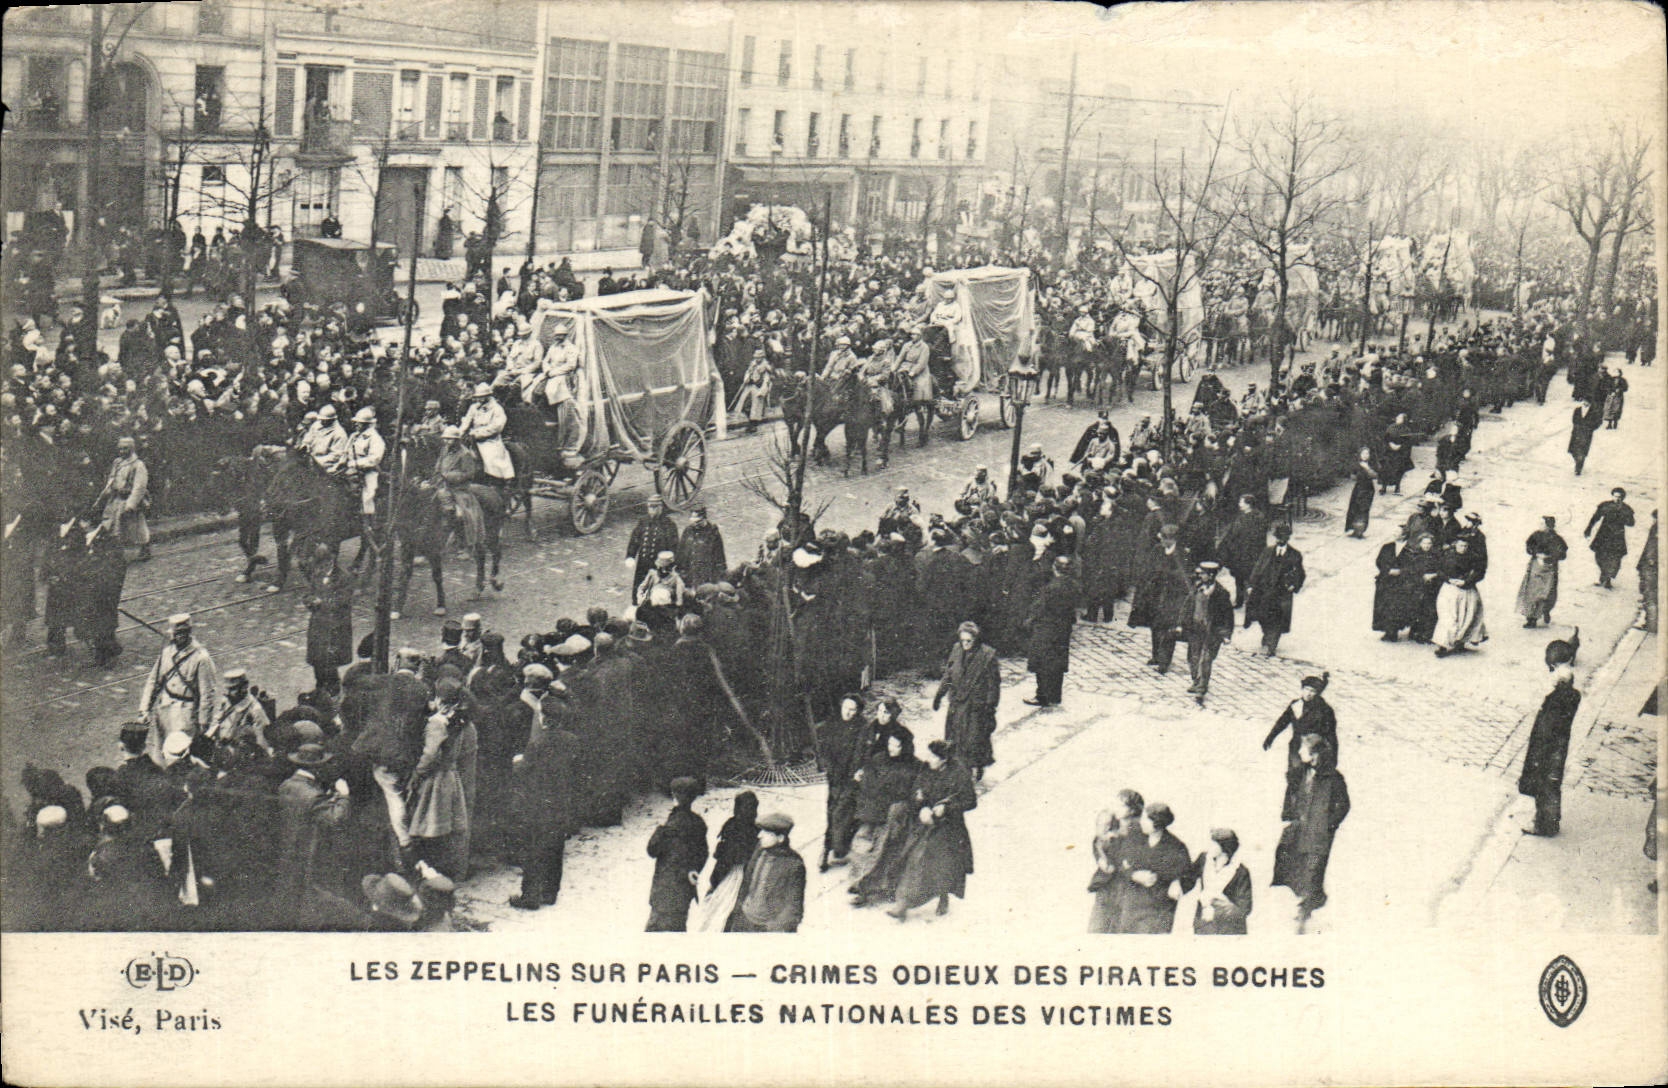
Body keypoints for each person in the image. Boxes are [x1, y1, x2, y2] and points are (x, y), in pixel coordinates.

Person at [887, 740, 978, 922]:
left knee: (942, 865)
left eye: (933, 757)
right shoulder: (926, 769)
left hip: (948, 827)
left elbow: (970, 801)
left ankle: (942, 897)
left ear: (944, 760)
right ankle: (903, 903)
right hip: (925, 823)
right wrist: (921, 806)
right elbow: (916, 792)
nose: (928, 759)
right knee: (913, 858)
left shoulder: (959, 774)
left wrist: (947, 807)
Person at [507, 696, 578, 911]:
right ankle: (550, 892)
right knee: (555, 847)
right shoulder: (572, 740)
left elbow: (525, 770)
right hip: (561, 801)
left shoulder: (537, 743)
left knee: (534, 849)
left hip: (538, 803)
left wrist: (517, 763)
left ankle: (530, 895)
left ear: (544, 718)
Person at [1272, 733, 1350, 926]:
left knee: (1312, 868)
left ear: (1317, 753)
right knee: (1290, 861)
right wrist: (1287, 816)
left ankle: (1305, 907)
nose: (1302, 753)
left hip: (1317, 834)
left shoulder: (1333, 778)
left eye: (1306, 750)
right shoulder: (1301, 772)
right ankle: (1295, 897)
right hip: (1298, 828)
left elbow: (1344, 805)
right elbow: (1290, 794)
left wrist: (1329, 824)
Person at [406, 678, 472, 880]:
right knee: (446, 826)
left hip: (436, 779)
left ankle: (430, 872)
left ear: (439, 699)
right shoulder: (460, 719)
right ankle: (445, 871)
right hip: (451, 776)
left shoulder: (436, 722)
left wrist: (417, 773)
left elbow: (430, 754)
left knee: (430, 826)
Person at [847, 722, 919, 900]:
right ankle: (858, 881)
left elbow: (911, 792)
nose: (891, 748)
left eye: (897, 745)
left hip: (893, 816)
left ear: (905, 746)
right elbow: (867, 784)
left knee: (880, 851)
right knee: (860, 846)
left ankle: (866, 887)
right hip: (872, 812)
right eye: (890, 744)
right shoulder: (878, 759)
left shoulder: (914, 766)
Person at [1516, 664, 1582, 837]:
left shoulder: (1554, 702)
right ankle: (1551, 821)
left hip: (1547, 750)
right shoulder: (1573, 696)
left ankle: (1543, 825)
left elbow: (1545, 730)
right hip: (1560, 747)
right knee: (1552, 785)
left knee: (1543, 785)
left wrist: (1536, 757)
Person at [935, 621, 1002, 778]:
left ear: (976, 639)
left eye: (969, 641)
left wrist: (990, 707)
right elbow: (949, 675)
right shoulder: (956, 650)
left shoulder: (987, 656)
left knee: (974, 739)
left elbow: (993, 686)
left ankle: (976, 766)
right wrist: (940, 694)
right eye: (962, 640)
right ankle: (955, 768)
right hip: (957, 702)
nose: (965, 644)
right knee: (954, 737)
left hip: (976, 706)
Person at [1116, 802, 1193, 934]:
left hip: (1159, 911)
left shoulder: (1176, 846)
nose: (1141, 821)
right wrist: (1133, 875)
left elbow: (1189, 875)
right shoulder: (1134, 838)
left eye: (1146, 819)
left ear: (1157, 823)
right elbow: (1120, 863)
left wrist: (1178, 883)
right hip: (1131, 907)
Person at [139, 613, 218, 743]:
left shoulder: (201, 657)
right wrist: (144, 709)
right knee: (162, 748)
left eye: (183, 632)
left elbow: (207, 693)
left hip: (186, 713)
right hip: (164, 710)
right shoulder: (167, 652)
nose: (180, 636)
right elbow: (153, 681)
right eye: (177, 633)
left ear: (189, 632)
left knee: (181, 749)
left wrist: (204, 722)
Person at [725, 812, 806, 932]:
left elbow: (793, 908)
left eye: (766, 832)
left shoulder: (793, 864)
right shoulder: (760, 850)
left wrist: (772, 930)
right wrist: (738, 912)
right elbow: (746, 882)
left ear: (780, 838)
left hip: (766, 928)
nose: (759, 835)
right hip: (744, 920)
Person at [645, 776, 708, 931]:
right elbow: (703, 853)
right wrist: (694, 869)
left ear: (674, 795)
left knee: (656, 931)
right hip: (684, 889)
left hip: (665, 888)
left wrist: (660, 830)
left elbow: (652, 850)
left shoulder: (671, 825)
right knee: (678, 927)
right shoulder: (698, 823)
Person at [1263, 673, 1337, 786]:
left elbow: (1331, 734)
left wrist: (1333, 756)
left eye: (1312, 691)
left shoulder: (1325, 710)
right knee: (1294, 774)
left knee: (1318, 778)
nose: (1308, 693)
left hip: (1316, 747)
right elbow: (1282, 722)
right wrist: (1270, 738)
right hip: (1297, 745)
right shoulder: (1295, 705)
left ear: (1317, 693)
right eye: (1306, 689)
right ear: (1302, 689)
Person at [1024, 556, 1079, 708]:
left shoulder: (1051, 588)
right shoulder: (1073, 585)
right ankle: (1055, 696)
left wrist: (1029, 621)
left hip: (1047, 629)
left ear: (1055, 568)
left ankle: (1042, 696)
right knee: (1057, 664)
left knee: (1042, 663)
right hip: (1063, 629)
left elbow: (1040, 608)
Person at [1244, 521, 1305, 657]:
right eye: (1278, 537)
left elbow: (1300, 574)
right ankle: (1267, 636)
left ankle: (1270, 645)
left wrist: (1294, 585)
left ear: (1287, 538)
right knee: (1263, 616)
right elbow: (1257, 569)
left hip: (1281, 594)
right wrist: (1251, 585)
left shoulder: (1295, 555)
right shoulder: (1267, 551)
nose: (1279, 540)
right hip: (1264, 591)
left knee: (1277, 619)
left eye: (1282, 537)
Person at [1087, 788, 1144, 934]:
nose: (1115, 808)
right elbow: (1098, 840)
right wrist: (1101, 858)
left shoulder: (1143, 830)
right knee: (1097, 930)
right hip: (1107, 885)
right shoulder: (1111, 822)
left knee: (1121, 931)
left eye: (1121, 805)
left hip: (1128, 888)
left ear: (1132, 809)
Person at [305, 542, 353, 697]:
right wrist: (311, 601)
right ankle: (320, 688)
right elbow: (308, 594)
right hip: (318, 625)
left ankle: (333, 691)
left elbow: (343, 600)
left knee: (330, 662)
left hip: (335, 627)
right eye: (320, 564)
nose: (322, 567)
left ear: (332, 560)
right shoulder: (317, 574)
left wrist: (322, 602)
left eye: (325, 563)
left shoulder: (344, 577)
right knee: (317, 661)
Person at [1184, 562, 1235, 705]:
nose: (1200, 575)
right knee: (1193, 658)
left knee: (1206, 660)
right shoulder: (1197, 588)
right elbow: (1188, 607)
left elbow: (1228, 617)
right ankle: (1196, 681)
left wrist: (1226, 634)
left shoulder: (1221, 593)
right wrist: (1181, 624)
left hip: (1212, 632)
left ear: (1211, 575)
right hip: (1195, 629)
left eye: (1203, 573)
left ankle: (1201, 689)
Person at [1189, 828, 1253, 935]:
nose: (1209, 847)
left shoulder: (1240, 871)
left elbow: (1245, 908)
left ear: (1224, 848)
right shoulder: (1204, 860)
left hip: (1229, 929)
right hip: (1203, 925)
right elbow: (1187, 879)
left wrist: (1217, 912)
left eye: (1213, 844)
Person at [97, 436, 151, 560]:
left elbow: (139, 486)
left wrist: (131, 504)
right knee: (115, 525)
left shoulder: (138, 465)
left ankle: (145, 548)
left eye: (125, 448)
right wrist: (107, 491)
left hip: (129, 499)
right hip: (116, 498)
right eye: (120, 448)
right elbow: (112, 477)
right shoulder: (117, 462)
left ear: (132, 448)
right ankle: (118, 553)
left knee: (137, 526)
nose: (122, 451)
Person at [1433, 535, 1488, 658]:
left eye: (1465, 546)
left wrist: (1466, 581)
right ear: (1455, 545)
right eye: (1460, 545)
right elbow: (1439, 570)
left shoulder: (1474, 557)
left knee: (1467, 615)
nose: (1463, 548)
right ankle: (1443, 645)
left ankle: (1460, 642)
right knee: (1448, 617)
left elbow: (1480, 572)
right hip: (1449, 589)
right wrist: (1449, 579)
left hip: (1467, 589)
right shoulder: (1447, 556)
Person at [1516, 516, 1569, 628]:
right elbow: (1529, 547)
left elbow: (1562, 554)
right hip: (1536, 568)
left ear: (1548, 526)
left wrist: (1550, 557)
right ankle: (1531, 619)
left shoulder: (1557, 539)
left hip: (1550, 570)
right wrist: (1536, 553)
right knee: (1532, 592)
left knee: (1546, 593)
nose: (1540, 525)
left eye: (1542, 524)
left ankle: (1545, 611)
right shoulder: (1536, 535)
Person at [460, 383, 514, 491]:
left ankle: (498, 479)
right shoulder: (474, 407)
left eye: (481, 397)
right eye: (477, 397)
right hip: (472, 436)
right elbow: (466, 421)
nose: (478, 399)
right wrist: (460, 433)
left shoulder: (496, 408)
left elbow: (497, 427)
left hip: (489, 439)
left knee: (491, 456)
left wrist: (478, 434)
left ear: (488, 396)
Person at [626, 496, 681, 600]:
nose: (652, 510)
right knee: (640, 589)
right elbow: (635, 540)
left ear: (661, 508)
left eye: (655, 507)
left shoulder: (669, 524)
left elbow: (674, 546)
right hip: (643, 564)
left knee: (657, 592)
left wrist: (671, 564)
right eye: (650, 507)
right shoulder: (643, 521)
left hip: (659, 566)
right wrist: (630, 556)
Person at [347, 406, 386, 550]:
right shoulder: (354, 436)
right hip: (350, 470)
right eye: (356, 422)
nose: (357, 425)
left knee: (368, 495)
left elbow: (374, 459)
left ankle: (369, 521)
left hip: (367, 472)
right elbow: (346, 451)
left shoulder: (375, 439)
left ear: (368, 424)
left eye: (360, 423)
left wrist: (356, 463)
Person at [1585, 487, 1635, 589]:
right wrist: (1588, 528)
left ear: (1623, 498)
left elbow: (1631, 523)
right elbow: (1595, 517)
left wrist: (1624, 518)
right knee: (1599, 556)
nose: (1617, 499)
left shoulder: (1626, 509)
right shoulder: (1605, 505)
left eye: (1619, 497)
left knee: (1615, 558)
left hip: (1617, 537)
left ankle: (1607, 579)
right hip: (1603, 535)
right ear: (1612, 496)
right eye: (1615, 496)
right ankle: (1604, 576)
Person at [676, 506, 727, 589]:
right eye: (693, 521)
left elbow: (719, 557)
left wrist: (718, 577)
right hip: (689, 574)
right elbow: (681, 552)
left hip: (706, 575)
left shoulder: (712, 533)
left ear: (704, 519)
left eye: (698, 522)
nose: (695, 524)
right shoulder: (688, 530)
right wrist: (680, 571)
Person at [1344, 446, 1378, 538]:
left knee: (1363, 509)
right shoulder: (1357, 464)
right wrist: (1355, 475)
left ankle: (1360, 531)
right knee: (1354, 508)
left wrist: (1367, 468)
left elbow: (1375, 475)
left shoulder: (1371, 464)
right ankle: (1354, 530)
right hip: (1358, 488)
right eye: (1363, 453)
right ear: (1360, 454)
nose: (1365, 455)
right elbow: (1352, 476)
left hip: (1368, 489)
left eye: (1367, 453)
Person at [1637, 509, 1659, 633]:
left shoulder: (1657, 529)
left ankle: (1651, 625)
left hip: (1652, 568)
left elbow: (1651, 548)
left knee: (1650, 595)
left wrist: (1649, 562)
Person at [1567, 400, 1600, 476]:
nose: (1585, 403)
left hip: (1586, 434)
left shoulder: (1593, 411)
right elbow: (1574, 420)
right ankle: (1578, 462)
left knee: (1582, 452)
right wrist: (1577, 426)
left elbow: (1598, 422)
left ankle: (1578, 468)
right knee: (1574, 452)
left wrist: (1590, 428)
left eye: (1587, 402)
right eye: (1585, 401)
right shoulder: (1577, 409)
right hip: (1576, 433)